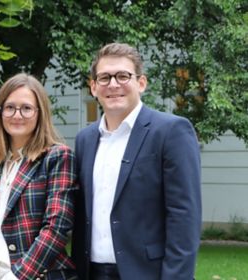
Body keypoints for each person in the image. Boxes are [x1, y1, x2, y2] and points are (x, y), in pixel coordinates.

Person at [71, 43, 202, 279]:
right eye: (104, 77)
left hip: (147, 273)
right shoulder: (84, 140)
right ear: (93, 87)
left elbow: (184, 216)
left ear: (141, 83)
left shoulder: (171, 131)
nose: (113, 84)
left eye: (123, 76)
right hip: (91, 271)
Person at [0, 73, 78, 280]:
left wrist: (17, 276)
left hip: (36, 274)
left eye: (26, 108)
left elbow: (57, 226)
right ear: (0, 112)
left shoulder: (57, 157)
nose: (17, 115)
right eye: (10, 107)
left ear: (39, 113)